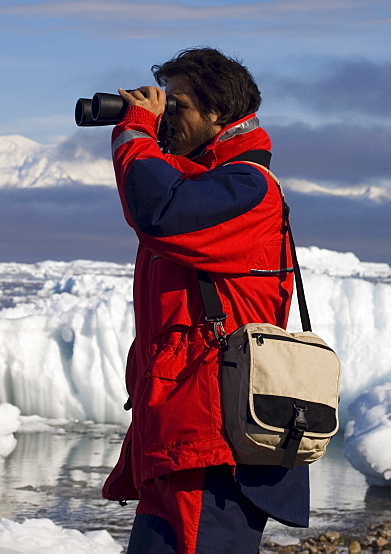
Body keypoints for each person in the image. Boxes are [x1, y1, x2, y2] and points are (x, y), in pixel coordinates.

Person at [101, 48, 309, 553]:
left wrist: (134, 133)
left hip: (211, 441)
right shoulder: (210, 184)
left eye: (178, 106)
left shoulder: (248, 189)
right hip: (178, 434)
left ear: (219, 113)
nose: (166, 117)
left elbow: (158, 212)